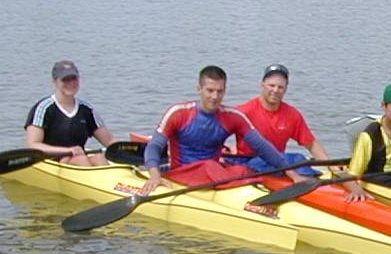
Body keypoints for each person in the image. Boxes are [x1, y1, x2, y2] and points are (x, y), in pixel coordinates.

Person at [138, 66, 293, 196]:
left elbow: (262, 146)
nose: (214, 96)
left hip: (213, 175)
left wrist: (291, 173)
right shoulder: (178, 113)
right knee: (210, 166)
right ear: (199, 89)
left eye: (220, 91)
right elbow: (154, 146)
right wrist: (154, 175)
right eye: (210, 90)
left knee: (244, 169)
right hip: (181, 174)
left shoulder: (233, 117)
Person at [232, 64, 330, 181]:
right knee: (293, 159)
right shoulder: (244, 111)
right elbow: (219, 132)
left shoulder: (292, 114)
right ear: (262, 84)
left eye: (280, 87)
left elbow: (311, 144)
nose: (275, 90)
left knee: (299, 158)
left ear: (286, 88)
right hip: (249, 163)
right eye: (271, 85)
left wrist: (331, 166)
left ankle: (309, 178)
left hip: (279, 162)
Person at [24, 60, 116, 166]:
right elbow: (33, 145)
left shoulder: (87, 109)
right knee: (81, 160)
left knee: (99, 158)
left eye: (74, 78)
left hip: (78, 157)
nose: (71, 83)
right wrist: (68, 150)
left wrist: (130, 149)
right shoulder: (43, 108)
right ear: (55, 82)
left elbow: (110, 141)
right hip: (51, 161)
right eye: (65, 79)